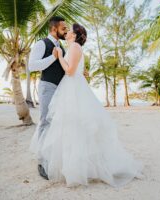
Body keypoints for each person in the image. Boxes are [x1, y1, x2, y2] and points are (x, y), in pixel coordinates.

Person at [30, 23, 143, 187]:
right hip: (69, 87)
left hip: (73, 88)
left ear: (75, 35)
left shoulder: (74, 47)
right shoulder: (71, 47)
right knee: (69, 126)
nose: (67, 32)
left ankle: (79, 166)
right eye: (65, 29)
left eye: (69, 30)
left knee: (76, 125)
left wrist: (59, 56)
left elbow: (69, 71)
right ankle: (68, 163)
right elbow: (72, 69)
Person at [28, 16, 68, 180]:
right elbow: (32, 66)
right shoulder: (42, 43)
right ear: (54, 29)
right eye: (63, 28)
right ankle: (42, 162)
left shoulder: (62, 47)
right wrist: (53, 57)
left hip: (61, 90)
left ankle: (53, 157)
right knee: (45, 122)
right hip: (47, 87)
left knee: (58, 123)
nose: (66, 31)